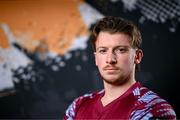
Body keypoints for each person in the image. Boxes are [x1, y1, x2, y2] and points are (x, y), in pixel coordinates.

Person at [64, 16, 176, 119]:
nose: (110, 59)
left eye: (121, 50)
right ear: (96, 58)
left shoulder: (152, 107)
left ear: (137, 56)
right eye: (103, 51)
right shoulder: (78, 105)